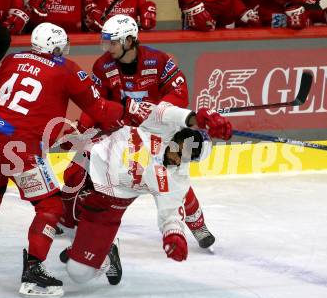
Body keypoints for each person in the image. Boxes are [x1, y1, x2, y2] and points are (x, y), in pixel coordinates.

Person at [0, 22, 127, 297]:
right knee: (50, 206)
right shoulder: (66, 69)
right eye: (62, 45)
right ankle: (33, 272)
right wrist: (128, 110)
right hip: (20, 147)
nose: (64, 50)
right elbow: (98, 108)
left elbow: (7, 103)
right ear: (54, 46)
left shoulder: (11, 59)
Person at [58, 101, 232, 285]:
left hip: (109, 202)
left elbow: (171, 213)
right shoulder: (161, 127)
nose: (177, 154)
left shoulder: (177, 179)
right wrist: (197, 118)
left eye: (185, 154)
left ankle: (106, 257)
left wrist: (173, 234)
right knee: (64, 214)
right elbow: (164, 112)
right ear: (178, 134)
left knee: (78, 273)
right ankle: (81, 238)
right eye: (180, 144)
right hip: (90, 163)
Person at [89, 14, 218, 250]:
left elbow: (179, 93)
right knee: (107, 181)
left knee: (171, 178)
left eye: (112, 42)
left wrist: (155, 112)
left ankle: (197, 223)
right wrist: (87, 127)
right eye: (106, 42)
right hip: (125, 133)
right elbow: (96, 103)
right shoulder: (102, 66)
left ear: (129, 41)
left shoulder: (157, 60)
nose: (107, 48)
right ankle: (87, 230)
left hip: (159, 131)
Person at [83, 0, 156, 32]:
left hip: (130, 37)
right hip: (103, 38)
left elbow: (146, 23)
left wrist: (147, 21)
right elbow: (91, 18)